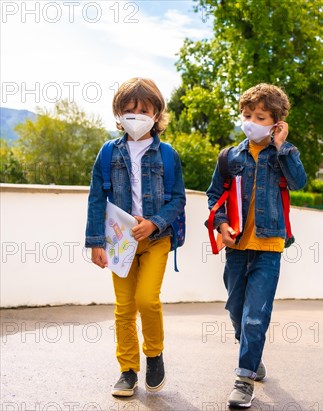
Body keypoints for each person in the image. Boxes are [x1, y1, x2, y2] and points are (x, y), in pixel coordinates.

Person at [206, 83, 307, 408]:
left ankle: (244, 378)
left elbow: (299, 182)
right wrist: (221, 225)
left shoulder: (283, 155)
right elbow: (214, 196)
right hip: (236, 247)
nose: (251, 121)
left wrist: (281, 147)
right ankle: (253, 353)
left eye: (260, 116)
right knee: (236, 310)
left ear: (276, 122)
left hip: (269, 246)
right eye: (247, 115)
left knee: (255, 316)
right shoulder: (229, 156)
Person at [85, 78, 186, 397]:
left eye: (144, 110)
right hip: (119, 243)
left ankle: (154, 355)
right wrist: (95, 242)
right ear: (118, 114)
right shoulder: (107, 152)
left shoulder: (168, 155)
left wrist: (154, 223)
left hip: (157, 240)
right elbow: (96, 198)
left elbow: (178, 199)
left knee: (147, 299)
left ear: (157, 114)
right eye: (129, 110)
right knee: (124, 307)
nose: (136, 115)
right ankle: (127, 370)